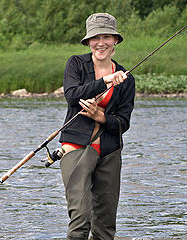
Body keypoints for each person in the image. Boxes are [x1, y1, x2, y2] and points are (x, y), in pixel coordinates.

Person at [59, 13, 135, 240]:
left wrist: (101, 117)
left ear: (115, 41)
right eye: (95, 37)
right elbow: (72, 96)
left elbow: (124, 123)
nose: (101, 42)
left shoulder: (127, 79)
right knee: (81, 218)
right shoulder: (76, 64)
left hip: (110, 151)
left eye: (106, 37)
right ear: (88, 42)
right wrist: (105, 81)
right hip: (76, 146)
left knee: (105, 228)